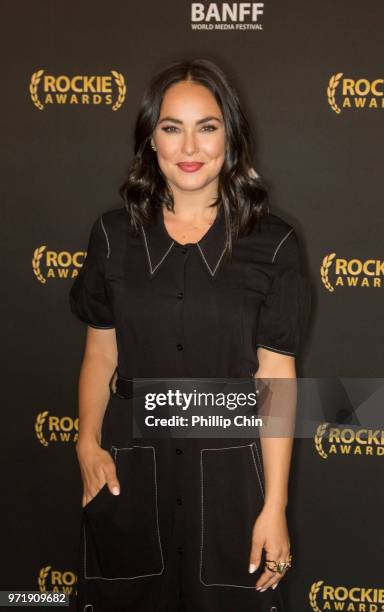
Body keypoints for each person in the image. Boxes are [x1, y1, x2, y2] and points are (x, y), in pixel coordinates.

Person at [69, 58, 312, 612]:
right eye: (171, 126)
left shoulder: (273, 243)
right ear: (150, 139)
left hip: (229, 483)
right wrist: (86, 440)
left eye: (207, 126)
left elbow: (276, 377)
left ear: (231, 134)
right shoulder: (112, 235)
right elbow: (99, 352)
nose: (190, 145)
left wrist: (274, 505)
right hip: (129, 471)